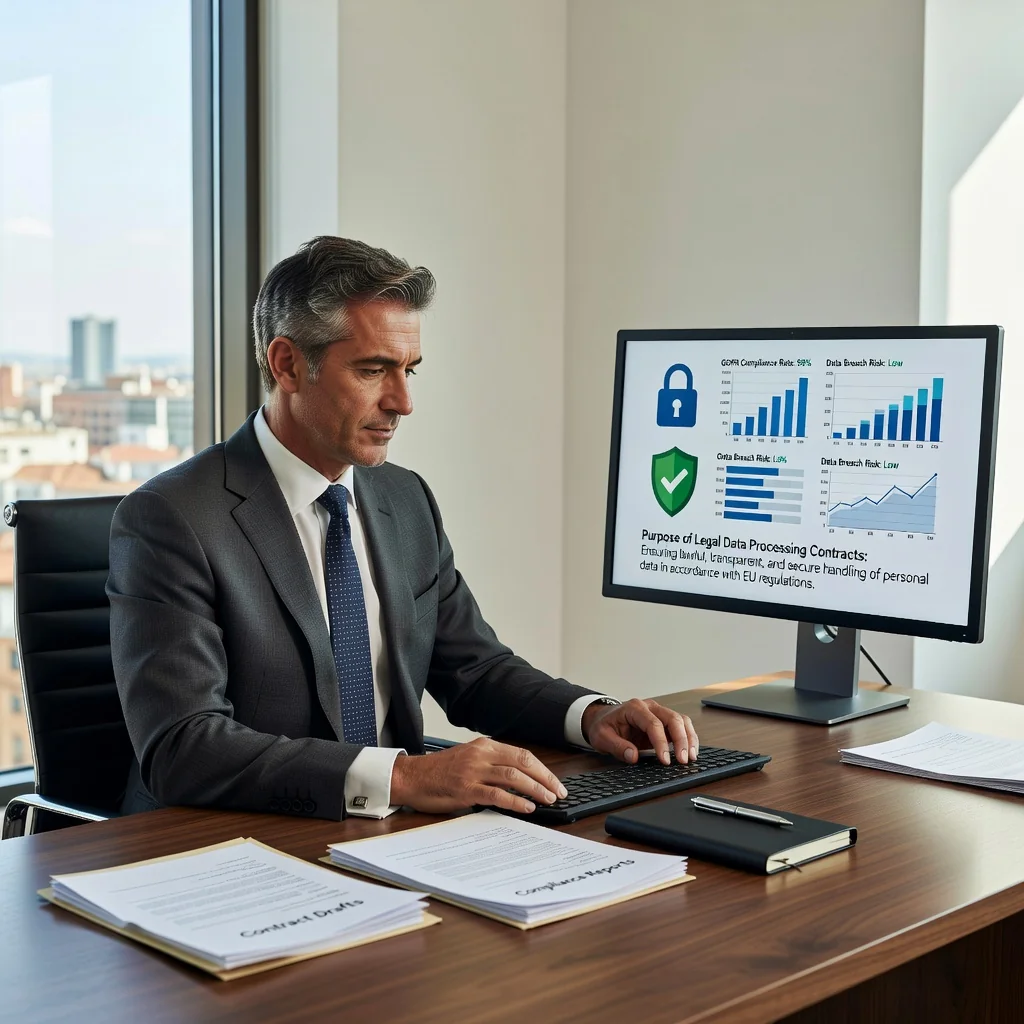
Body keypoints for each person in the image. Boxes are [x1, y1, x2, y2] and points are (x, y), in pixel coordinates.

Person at [109, 236, 699, 821]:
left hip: (398, 837)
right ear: (287, 364)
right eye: (374, 370)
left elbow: (475, 671)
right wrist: (404, 776)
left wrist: (591, 715)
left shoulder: (403, 497)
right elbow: (183, 746)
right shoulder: (173, 518)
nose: (403, 401)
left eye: (410, 370)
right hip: (240, 848)